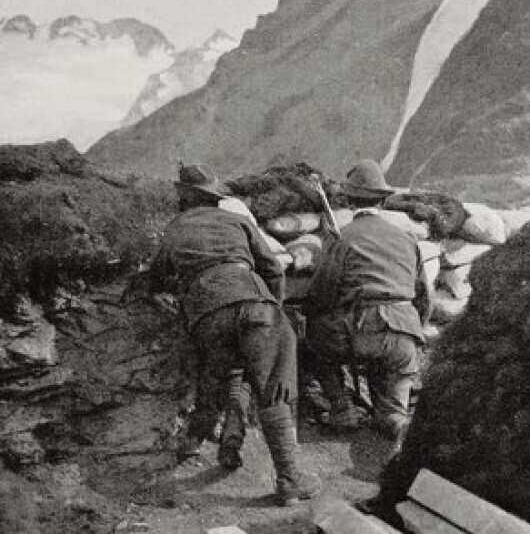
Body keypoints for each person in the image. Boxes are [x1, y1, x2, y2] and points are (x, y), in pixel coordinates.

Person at [148, 164, 316, 506]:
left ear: (184, 197)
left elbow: (156, 279)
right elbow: (272, 268)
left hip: (207, 313)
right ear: (215, 197)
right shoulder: (236, 221)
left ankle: (202, 445)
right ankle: (289, 481)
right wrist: (273, 306)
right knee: (272, 390)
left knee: (225, 376)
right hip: (254, 303)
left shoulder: (174, 228)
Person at [306, 160, 430, 441]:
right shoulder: (407, 239)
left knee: (314, 335)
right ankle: (398, 425)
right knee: (393, 413)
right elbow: (424, 295)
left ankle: (342, 409)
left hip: (360, 332)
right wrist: (415, 331)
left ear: (349, 200)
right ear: (383, 200)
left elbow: (322, 293)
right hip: (404, 335)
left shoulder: (344, 238)